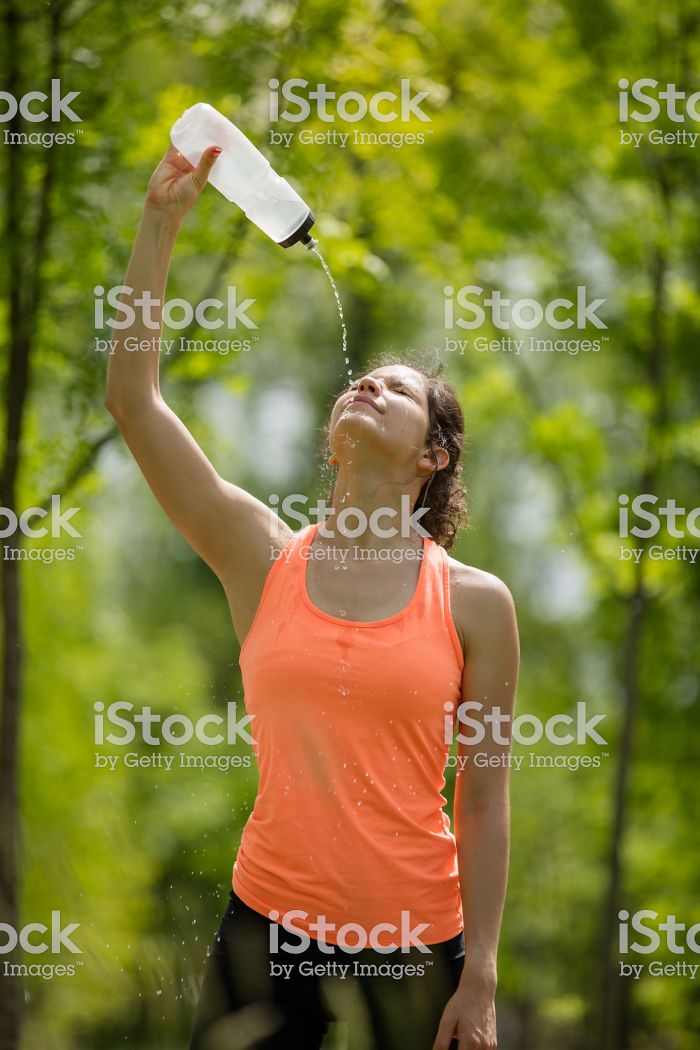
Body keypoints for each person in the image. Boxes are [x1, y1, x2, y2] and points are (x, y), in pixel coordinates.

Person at [105, 143, 519, 1050]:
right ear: (334, 441)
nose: (367, 382)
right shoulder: (260, 556)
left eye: (399, 389)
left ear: (432, 456)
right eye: (362, 379)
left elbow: (483, 798)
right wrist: (161, 221)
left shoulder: (478, 603)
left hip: (417, 950)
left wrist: (481, 973)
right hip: (265, 935)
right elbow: (134, 402)